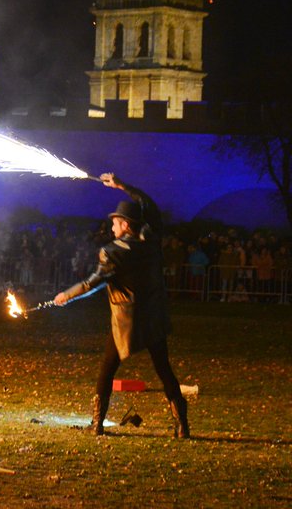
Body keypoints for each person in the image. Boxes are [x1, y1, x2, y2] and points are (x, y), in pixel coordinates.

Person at [53, 173, 190, 438]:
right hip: (153, 317)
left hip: (127, 321)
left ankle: (97, 424)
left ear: (126, 225)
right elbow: (149, 205)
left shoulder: (112, 251)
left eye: (115, 222)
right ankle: (182, 425)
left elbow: (93, 283)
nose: (112, 226)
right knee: (164, 370)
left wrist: (65, 295)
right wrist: (123, 185)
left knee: (106, 370)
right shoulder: (150, 240)